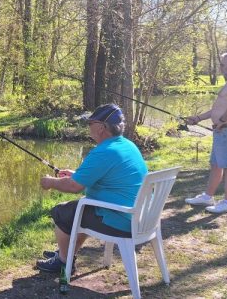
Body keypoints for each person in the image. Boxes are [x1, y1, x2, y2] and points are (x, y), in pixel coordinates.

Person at [36, 103, 148, 273]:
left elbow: (74, 186)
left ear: (102, 127)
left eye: (91, 123)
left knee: (62, 212)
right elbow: (105, 175)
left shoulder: (104, 151)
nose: (88, 127)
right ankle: (68, 251)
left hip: (121, 221)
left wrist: (50, 182)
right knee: (81, 209)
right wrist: (76, 173)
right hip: (140, 217)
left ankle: (63, 261)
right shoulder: (126, 145)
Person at [184, 52, 227, 214]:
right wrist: (198, 118)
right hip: (223, 132)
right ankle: (208, 197)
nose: (221, 67)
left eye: (223, 64)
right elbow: (217, 109)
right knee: (216, 165)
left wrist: (223, 121)